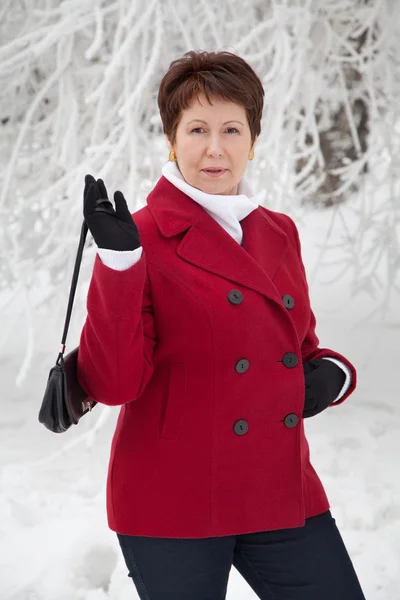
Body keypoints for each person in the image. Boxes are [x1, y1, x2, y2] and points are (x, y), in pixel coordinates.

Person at [77, 50, 366, 600]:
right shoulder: (136, 238)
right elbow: (113, 385)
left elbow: (302, 345)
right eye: (198, 129)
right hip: (172, 503)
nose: (215, 148)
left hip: (278, 492)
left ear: (252, 140)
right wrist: (118, 265)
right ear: (171, 138)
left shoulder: (278, 232)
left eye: (232, 128)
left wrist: (330, 376)